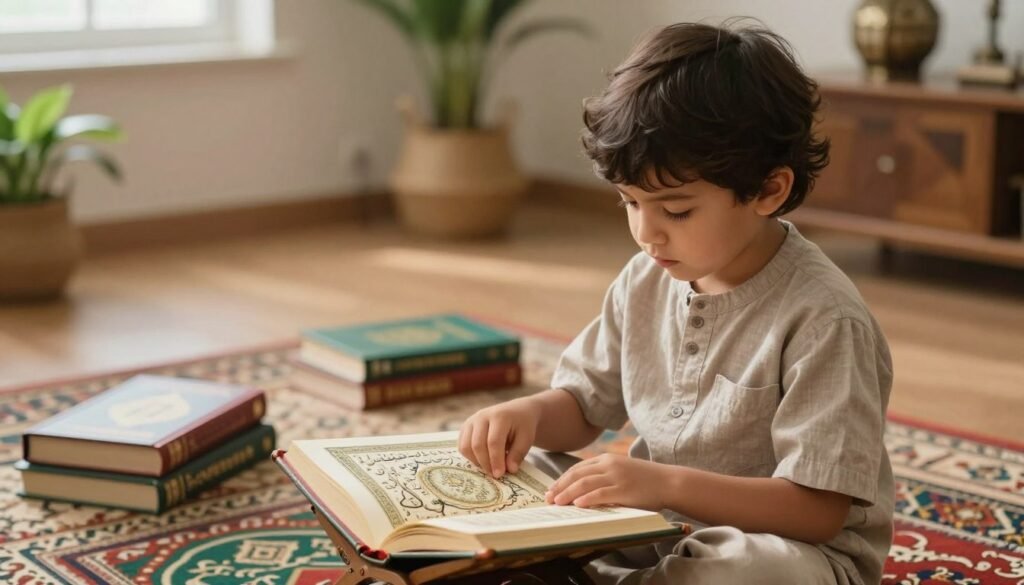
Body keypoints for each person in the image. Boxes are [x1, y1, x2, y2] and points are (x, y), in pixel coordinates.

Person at [458, 19, 894, 585]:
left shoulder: (825, 319)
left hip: (786, 552)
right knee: (528, 472)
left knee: (752, 571)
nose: (647, 233)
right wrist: (525, 416)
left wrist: (664, 485)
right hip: (654, 525)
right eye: (629, 203)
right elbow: (583, 409)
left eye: (677, 211)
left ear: (768, 190)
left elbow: (815, 511)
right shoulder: (645, 278)